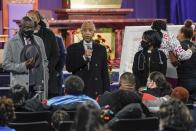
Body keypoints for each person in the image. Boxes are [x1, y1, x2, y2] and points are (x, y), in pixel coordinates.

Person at [3, 16, 48, 99]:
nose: (30, 30)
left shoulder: (39, 41)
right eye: (27, 27)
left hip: (38, 85)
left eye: (32, 28)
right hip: (20, 86)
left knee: (37, 110)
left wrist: (44, 78)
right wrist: (24, 66)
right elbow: (6, 65)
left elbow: (45, 61)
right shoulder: (11, 43)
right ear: (21, 27)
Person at [66, 21, 110, 98]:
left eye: (90, 30)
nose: (87, 33)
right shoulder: (72, 48)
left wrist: (107, 92)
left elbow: (104, 73)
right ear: (81, 32)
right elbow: (69, 68)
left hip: (96, 89)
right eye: (85, 30)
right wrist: (84, 58)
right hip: (79, 89)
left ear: (94, 33)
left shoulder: (101, 49)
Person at [27, 10, 60, 98]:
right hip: (29, 77)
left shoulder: (48, 34)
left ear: (38, 20)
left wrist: (47, 68)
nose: (29, 20)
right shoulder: (22, 34)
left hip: (46, 76)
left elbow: (55, 54)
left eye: (32, 18)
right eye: (28, 18)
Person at [151, 20, 193, 88]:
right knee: (170, 93)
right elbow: (182, 55)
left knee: (153, 91)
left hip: (152, 68)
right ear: (165, 27)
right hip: (169, 70)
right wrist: (190, 51)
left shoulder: (148, 36)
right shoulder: (170, 37)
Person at [176, 19, 196, 99]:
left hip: (184, 80)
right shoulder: (194, 46)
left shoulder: (178, 47)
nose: (177, 35)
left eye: (178, 32)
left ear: (182, 34)